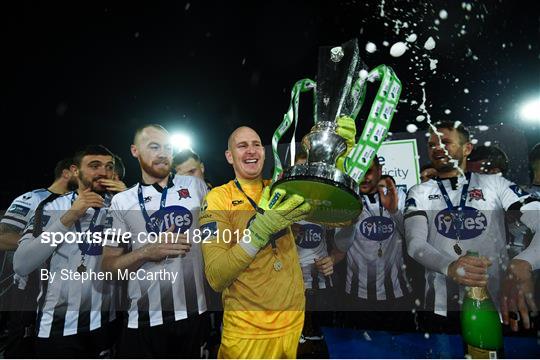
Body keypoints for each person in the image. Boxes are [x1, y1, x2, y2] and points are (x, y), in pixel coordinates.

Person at [403, 121, 540, 333]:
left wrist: (524, 262)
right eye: (431, 144)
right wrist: (449, 266)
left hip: (495, 305)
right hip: (442, 308)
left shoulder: (496, 184)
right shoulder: (419, 192)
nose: (437, 148)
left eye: (445, 142)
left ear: (467, 148)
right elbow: (415, 243)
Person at [199, 126, 312, 359]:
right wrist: (259, 232)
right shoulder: (218, 198)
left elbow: (337, 216)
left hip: (292, 324)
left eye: (256, 144)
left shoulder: (279, 189)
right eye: (242, 146)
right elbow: (216, 277)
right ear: (230, 156)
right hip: (248, 333)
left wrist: (339, 160)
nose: (251, 151)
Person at [101, 124, 209, 358]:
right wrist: (145, 252)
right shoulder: (122, 201)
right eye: (154, 146)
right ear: (134, 151)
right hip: (143, 321)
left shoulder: (196, 186)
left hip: (194, 315)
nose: (163, 153)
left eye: (168, 147)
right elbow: (108, 268)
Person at [13, 145, 119, 357]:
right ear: (75, 171)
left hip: (108, 325)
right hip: (57, 327)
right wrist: (70, 216)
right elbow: (21, 264)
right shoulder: (50, 207)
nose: (103, 172)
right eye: (94, 165)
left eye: (109, 166)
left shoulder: (120, 207)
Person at [0, 157, 77, 357]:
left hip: (61, 296)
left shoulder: (81, 204)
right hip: (29, 291)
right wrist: (42, 245)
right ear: (67, 173)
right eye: (80, 170)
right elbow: (2, 237)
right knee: (21, 349)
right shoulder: (33, 199)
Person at [334, 156, 413, 331]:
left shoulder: (398, 195)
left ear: (379, 171)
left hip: (397, 294)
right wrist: (351, 220)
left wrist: (394, 211)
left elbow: (411, 237)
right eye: (359, 172)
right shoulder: (345, 201)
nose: (363, 177)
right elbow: (341, 247)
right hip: (357, 295)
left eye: (368, 171)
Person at [291, 150, 333, 358]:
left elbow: (343, 241)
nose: (305, 175)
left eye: (309, 169)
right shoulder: (281, 204)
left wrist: (333, 259)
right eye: (300, 169)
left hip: (320, 287)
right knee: (297, 345)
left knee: (321, 342)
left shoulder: (326, 203)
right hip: (291, 289)